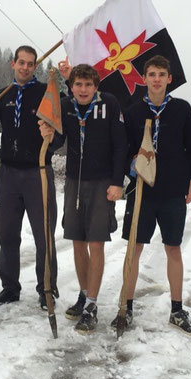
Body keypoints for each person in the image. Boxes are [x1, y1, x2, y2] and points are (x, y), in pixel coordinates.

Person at [113, 55, 191, 335]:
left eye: (162, 74)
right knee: (133, 250)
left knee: (172, 248)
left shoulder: (182, 109)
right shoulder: (134, 111)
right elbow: (123, 148)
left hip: (173, 190)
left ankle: (177, 309)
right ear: (144, 78)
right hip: (142, 192)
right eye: (151, 74)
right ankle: (125, 307)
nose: (157, 79)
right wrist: (132, 166)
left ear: (169, 79)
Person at [40, 63, 126, 334]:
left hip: (102, 183)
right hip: (74, 183)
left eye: (88, 84)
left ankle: (92, 304)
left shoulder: (109, 103)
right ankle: (84, 292)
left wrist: (117, 182)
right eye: (78, 84)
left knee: (96, 244)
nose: (83, 89)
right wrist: (48, 136)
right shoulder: (65, 106)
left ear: (96, 86)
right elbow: (56, 142)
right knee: (77, 242)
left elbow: (121, 144)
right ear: (72, 86)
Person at [0, 45, 58, 309]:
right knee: (7, 234)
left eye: (31, 63)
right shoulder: (3, 94)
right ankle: (9, 287)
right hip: (8, 174)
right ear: (13, 63)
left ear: (35, 66)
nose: (26, 67)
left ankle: (46, 288)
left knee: (44, 234)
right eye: (21, 63)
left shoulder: (46, 94)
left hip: (37, 172)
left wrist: (51, 133)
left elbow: (60, 138)